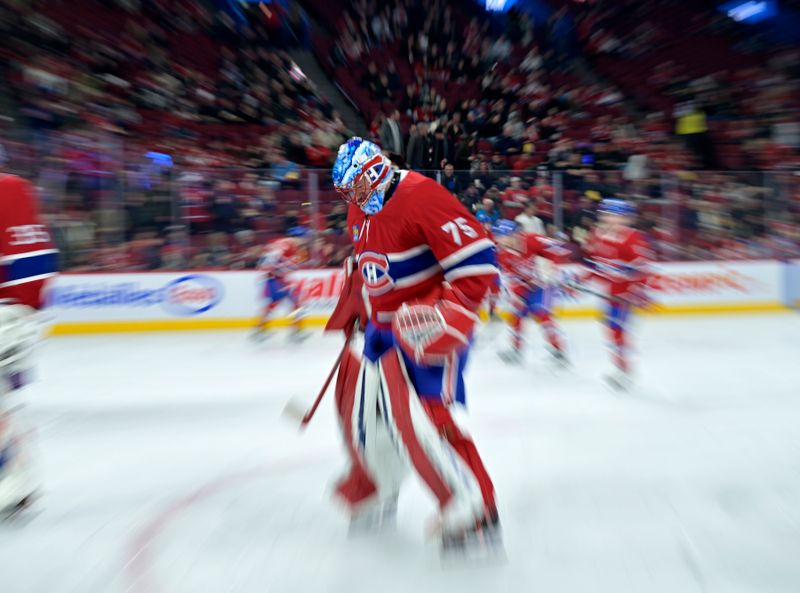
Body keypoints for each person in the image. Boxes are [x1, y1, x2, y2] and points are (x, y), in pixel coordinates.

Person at [325, 137, 501, 554]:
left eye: (358, 190)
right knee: (362, 415)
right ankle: (379, 488)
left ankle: (475, 509)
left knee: (428, 420)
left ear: (377, 175)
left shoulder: (422, 195)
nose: (353, 200)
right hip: (379, 331)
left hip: (424, 327)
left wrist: (449, 314)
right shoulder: (360, 206)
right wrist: (359, 310)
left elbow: (477, 263)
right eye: (348, 193)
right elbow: (371, 268)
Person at [0, 171, 58, 517]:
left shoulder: (8, 188)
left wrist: (20, 311)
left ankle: (14, 479)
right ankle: (15, 478)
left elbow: (33, 258)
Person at [580, 199, 653, 390]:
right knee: (612, 331)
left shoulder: (634, 239)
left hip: (624, 295)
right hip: (610, 293)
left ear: (627, 219)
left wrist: (637, 292)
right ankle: (621, 368)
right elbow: (593, 263)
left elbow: (643, 269)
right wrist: (582, 279)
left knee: (617, 330)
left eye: (617, 217)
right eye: (607, 215)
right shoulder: (597, 234)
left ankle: (623, 370)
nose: (611, 220)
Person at [494, 219, 571, 366]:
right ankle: (516, 349)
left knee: (542, 314)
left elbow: (558, 248)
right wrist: (517, 294)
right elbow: (510, 276)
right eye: (498, 236)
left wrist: (553, 269)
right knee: (515, 316)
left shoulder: (531, 239)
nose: (501, 240)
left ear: (516, 234)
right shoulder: (500, 253)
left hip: (541, 285)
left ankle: (559, 350)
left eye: (504, 236)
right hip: (523, 287)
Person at [250, 228, 310, 342]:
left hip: (274, 279)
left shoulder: (279, 242)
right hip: (277, 279)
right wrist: (283, 268)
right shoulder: (290, 245)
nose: (304, 241)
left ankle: (259, 330)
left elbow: (267, 259)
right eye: (304, 238)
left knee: (273, 305)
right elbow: (276, 260)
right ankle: (296, 331)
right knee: (296, 304)